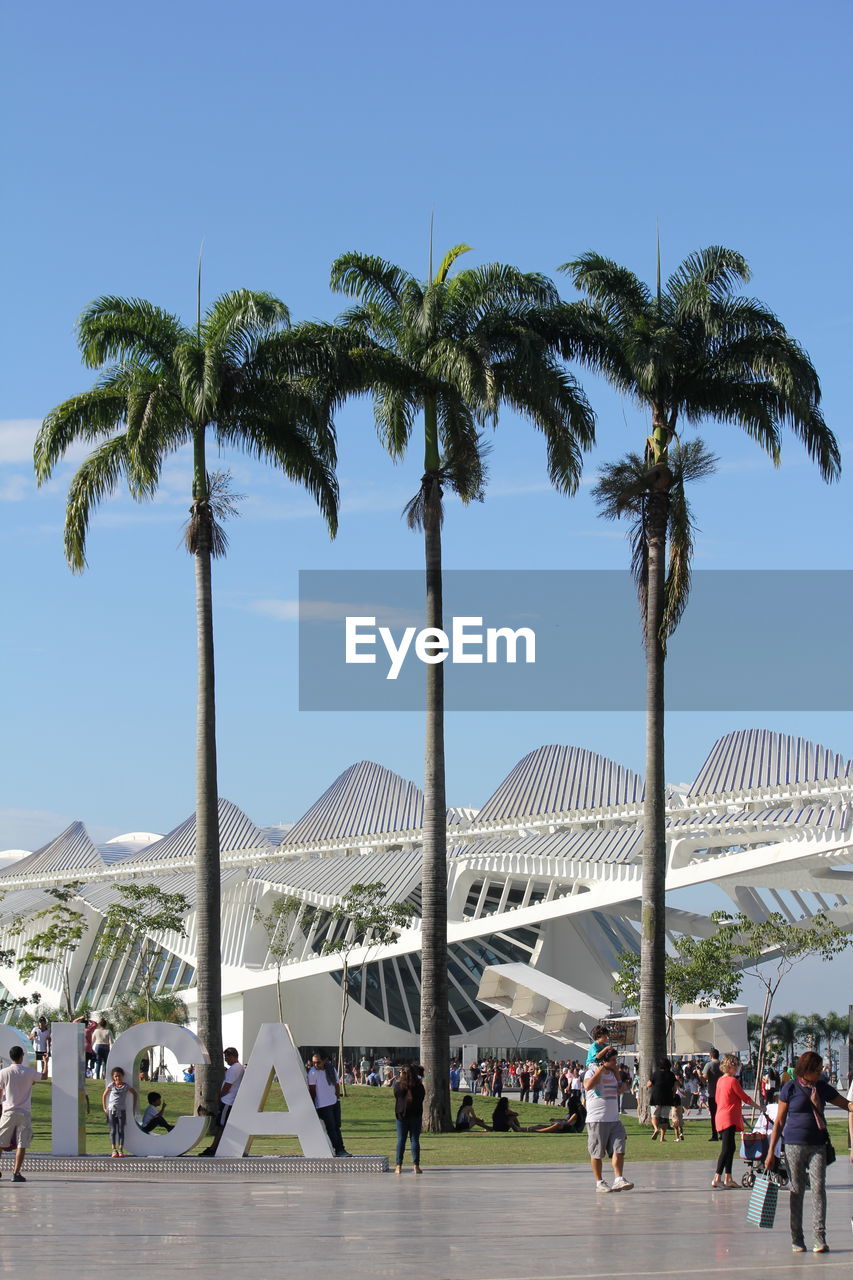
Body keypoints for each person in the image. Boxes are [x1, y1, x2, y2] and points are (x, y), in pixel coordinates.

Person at [765, 1050, 853, 1254]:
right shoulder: (790, 1088)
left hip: (817, 1145)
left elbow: (845, 1104)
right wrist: (771, 1151)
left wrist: (851, 1105)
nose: (821, 1072)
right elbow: (779, 1122)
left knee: (818, 1189)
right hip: (794, 1145)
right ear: (807, 1070)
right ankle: (797, 1238)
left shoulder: (821, 1087)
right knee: (796, 1191)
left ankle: (819, 1238)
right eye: (817, 1069)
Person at [583, 1047, 633, 1193]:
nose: (615, 1063)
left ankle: (619, 1179)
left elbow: (619, 1089)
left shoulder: (613, 1074)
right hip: (597, 1119)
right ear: (604, 1061)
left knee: (619, 1148)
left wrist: (621, 1082)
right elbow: (587, 1086)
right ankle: (599, 1182)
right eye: (612, 1060)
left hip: (614, 1119)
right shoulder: (591, 1071)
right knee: (597, 1153)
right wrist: (598, 1071)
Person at [0, 1044, 49, 1181]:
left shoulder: (4, 1072)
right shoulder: (28, 1072)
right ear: (21, 1056)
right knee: (22, 1143)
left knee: (1, 1142)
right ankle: (16, 1173)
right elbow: (44, 1076)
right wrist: (46, 1063)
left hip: (8, 1111)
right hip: (24, 1112)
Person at [711, 1054, 757, 1189]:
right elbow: (744, 1097)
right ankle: (717, 1177)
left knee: (731, 1147)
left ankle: (728, 1177)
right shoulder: (732, 1081)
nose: (737, 1068)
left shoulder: (720, 1080)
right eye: (735, 1065)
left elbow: (718, 1099)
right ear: (729, 1066)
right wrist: (759, 1107)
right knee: (726, 1148)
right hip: (728, 1116)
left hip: (721, 1115)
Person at [308, 1050, 351, 1156]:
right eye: (314, 1062)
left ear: (324, 1061)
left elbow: (337, 1084)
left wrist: (337, 1098)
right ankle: (339, 1150)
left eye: (318, 1062)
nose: (315, 1065)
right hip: (323, 1105)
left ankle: (341, 1149)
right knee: (331, 1128)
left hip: (334, 1102)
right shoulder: (313, 1072)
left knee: (337, 1127)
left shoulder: (331, 1069)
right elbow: (312, 1090)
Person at [393, 1065, 425, 1173]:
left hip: (402, 1116)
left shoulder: (398, 1086)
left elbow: (396, 1096)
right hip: (416, 1115)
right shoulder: (419, 1086)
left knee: (401, 1140)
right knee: (415, 1140)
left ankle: (398, 1165)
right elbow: (421, 1098)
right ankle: (416, 1165)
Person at [102, 1065, 137, 1157]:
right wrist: (104, 1108)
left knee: (121, 1130)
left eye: (119, 1076)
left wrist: (134, 1107)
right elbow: (104, 1095)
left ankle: (121, 1149)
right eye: (115, 1076)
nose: (117, 1078)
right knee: (113, 1130)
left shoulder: (126, 1086)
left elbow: (134, 1093)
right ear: (113, 1077)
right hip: (111, 1110)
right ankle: (114, 1149)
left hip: (122, 1110)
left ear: (122, 1076)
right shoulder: (111, 1086)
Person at [647, 1056, 676, 1142]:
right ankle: (662, 1137)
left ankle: (656, 1129)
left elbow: (649, 1084)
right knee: (664, 1118)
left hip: (656, 1097)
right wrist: (672, 1095)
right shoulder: (671, 1074)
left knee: (654, 1115)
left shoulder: (656, 1074)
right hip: (667, 1097)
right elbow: (674, 1088)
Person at [703, 1048, 722, 1141]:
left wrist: (699, 1074)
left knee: (714, 1115)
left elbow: (705, 1076)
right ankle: (722, 1133)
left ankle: (715, 1134)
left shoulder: (709, 1065)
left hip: (713, 1093)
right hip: (723, 1093)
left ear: (710, 1055)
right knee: (722, 1114)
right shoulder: (722, 1064)